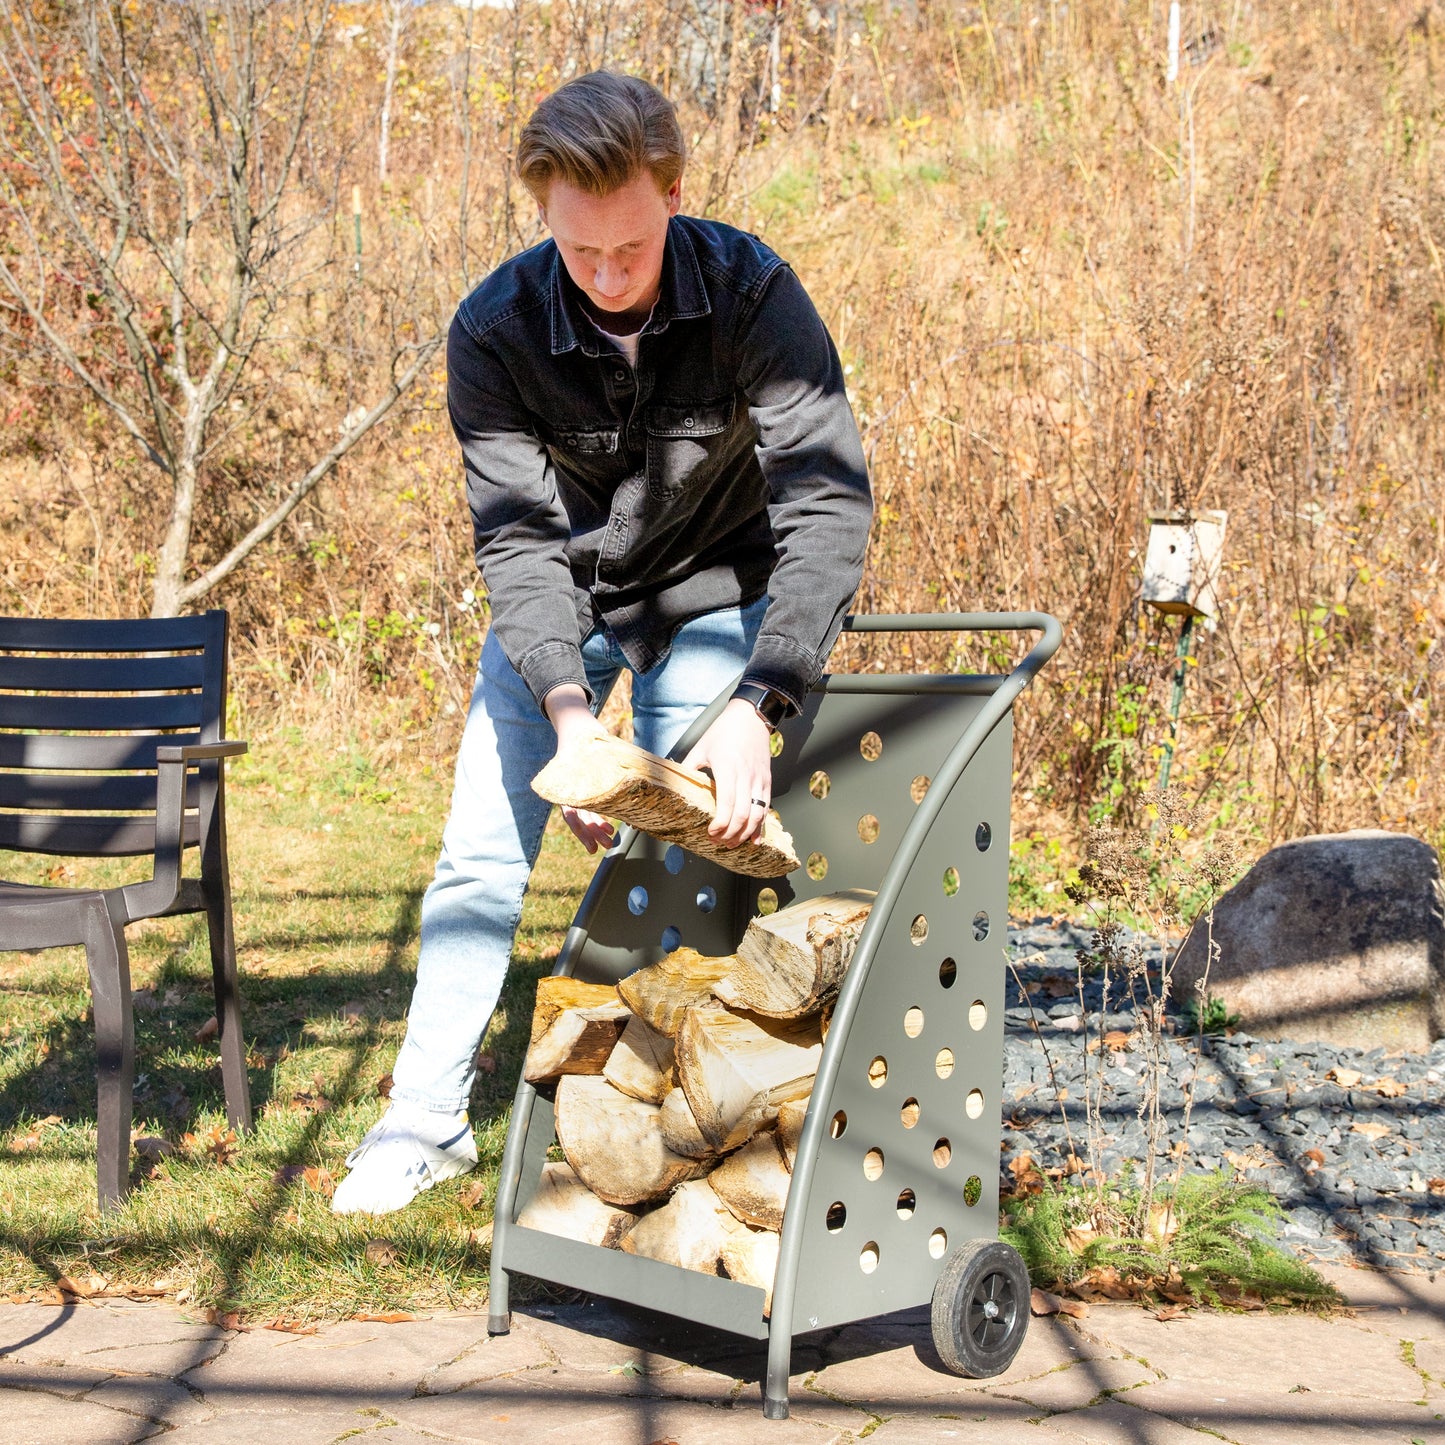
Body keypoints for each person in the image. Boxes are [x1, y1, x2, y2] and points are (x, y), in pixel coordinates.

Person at [332, 71, 871, 1215]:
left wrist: (759, 702)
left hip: (721, 588)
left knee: (694, 853)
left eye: (630, 247)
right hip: (563, 603)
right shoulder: (491, 328)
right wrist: (571, 717)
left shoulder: (752, 294)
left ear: (673, 194)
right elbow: (517, 540)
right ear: (543, 218)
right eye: (582, 254)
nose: (610, 277)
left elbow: (826, 502)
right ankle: (423, 1121)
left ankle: (686, 1132)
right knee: (479, 852)